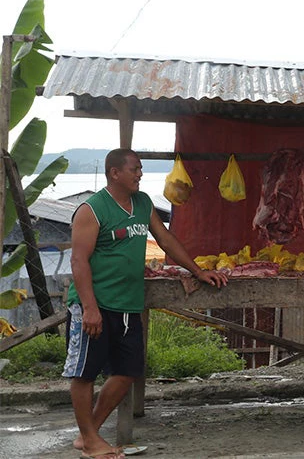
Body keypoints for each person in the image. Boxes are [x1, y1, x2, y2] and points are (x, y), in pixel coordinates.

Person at [64, 149, 228, 459]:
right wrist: (89, 307)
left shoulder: (142, 204)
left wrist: (197, 271)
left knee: (128, 371)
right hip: (96, 303)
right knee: (83, 373)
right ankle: (90, 441)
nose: (140, 174)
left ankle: (89, 434)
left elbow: (165, 240)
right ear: (115, 173)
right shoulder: (92, 209)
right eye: (135, 169)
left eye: (140, 169)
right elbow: (78, 259)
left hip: (128, 305)